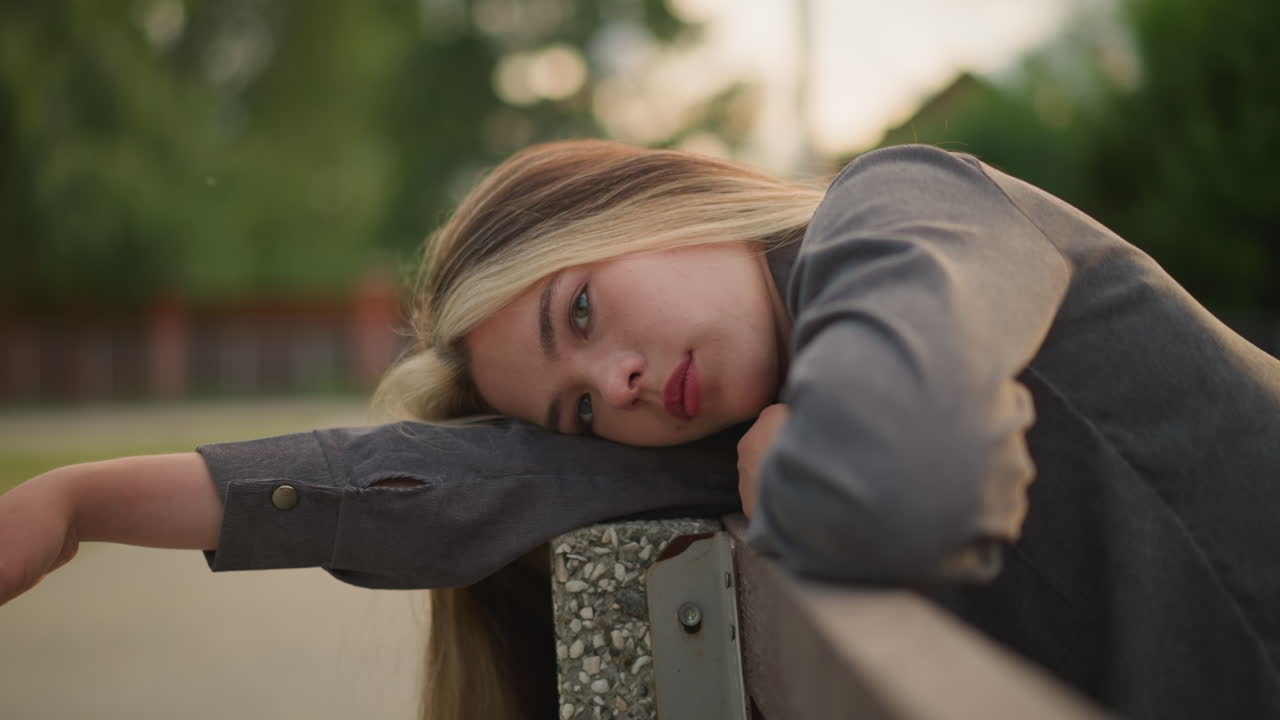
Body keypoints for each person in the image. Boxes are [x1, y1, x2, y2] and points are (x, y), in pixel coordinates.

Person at [1, 140, 1278, 720]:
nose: (612, 388)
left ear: (664, 199)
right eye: (576, 406)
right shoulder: (718, 405)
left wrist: (788, 485)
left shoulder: (903, 213)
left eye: (584, 309)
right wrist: (74, 508)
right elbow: (474, 482)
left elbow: (904, 484)